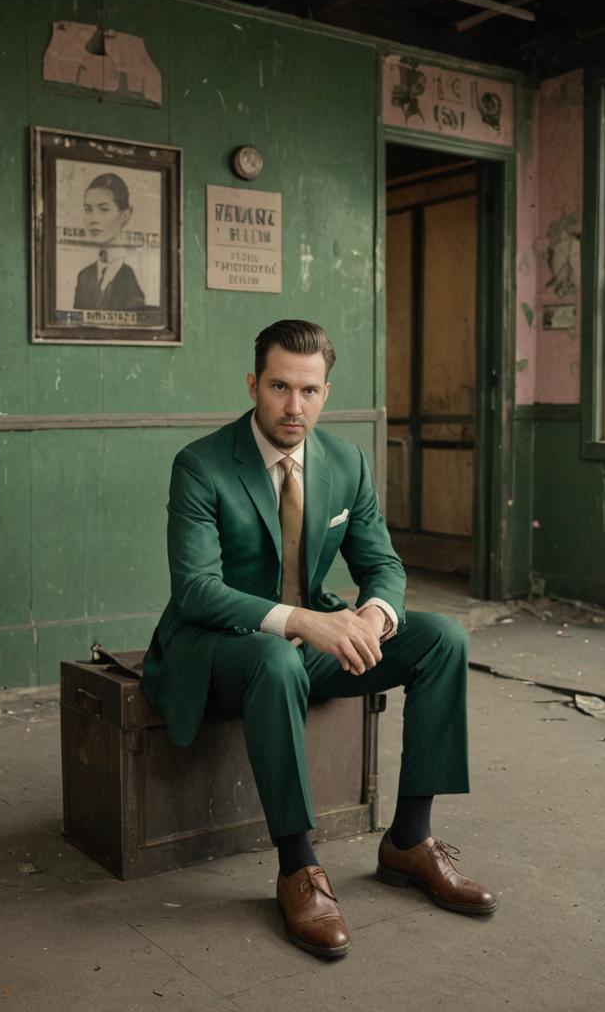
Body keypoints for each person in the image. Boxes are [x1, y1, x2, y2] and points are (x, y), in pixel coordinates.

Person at [142, 319, 495, 959]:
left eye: (308, 390)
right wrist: (305, 621)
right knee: (277, 658)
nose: (293, 405)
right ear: (254, 384)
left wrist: (373, 618)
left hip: (310, 645)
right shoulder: (200, 465)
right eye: (279, 387)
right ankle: (297, 868)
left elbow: (382, 565)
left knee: (442, 639)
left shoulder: (346, 462)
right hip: (218, 648)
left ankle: (409, 841)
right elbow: (196, 590)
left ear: (325, 392)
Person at [73, 172, 145, 311]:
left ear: (125, 215)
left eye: (104, 209)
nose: (93, 219)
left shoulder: (138, 275)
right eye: (88, 210)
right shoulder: (84, 276)